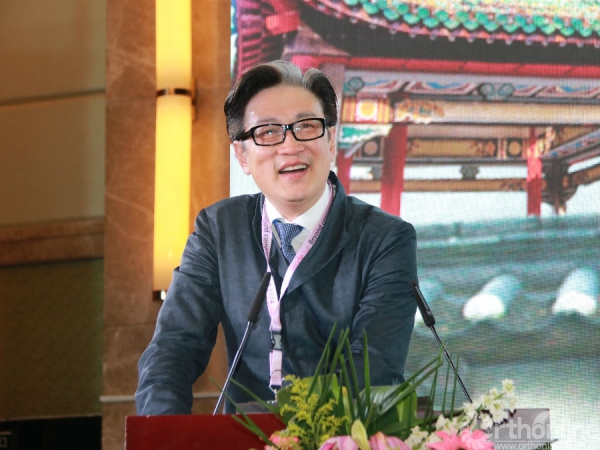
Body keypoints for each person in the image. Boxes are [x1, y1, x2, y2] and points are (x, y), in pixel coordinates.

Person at [135, 60, 418, 415]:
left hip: (346, 436)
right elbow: (173, 349)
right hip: (245, 438)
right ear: (242, 155)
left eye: (306, 126)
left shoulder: (387, 239)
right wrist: (161, 431)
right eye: (268, 132)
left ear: (331, 141)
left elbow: (372, 371)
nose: (290, 146)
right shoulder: (218, 230)